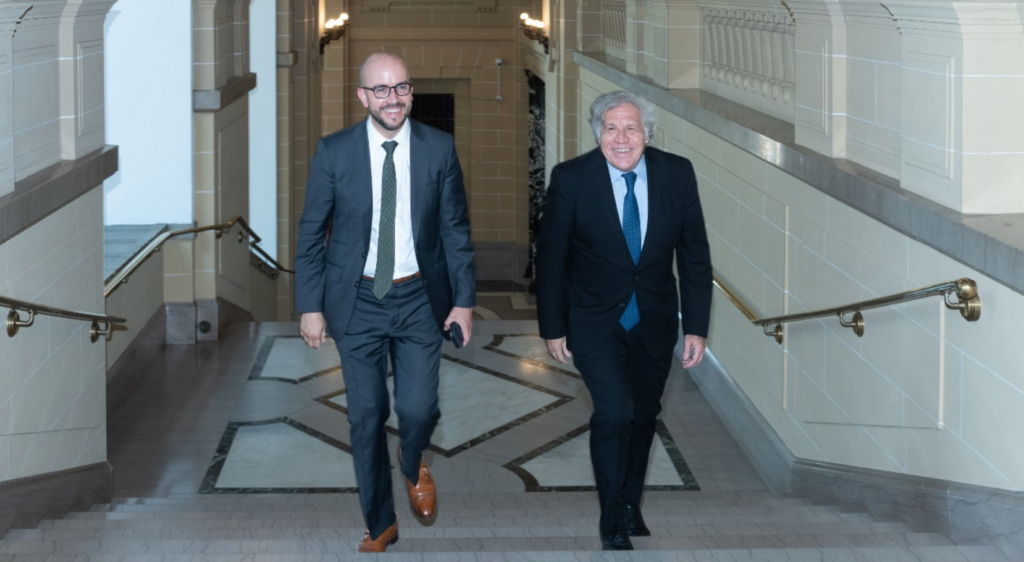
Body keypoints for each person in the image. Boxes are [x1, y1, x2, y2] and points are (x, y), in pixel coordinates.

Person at [294, 52, 476, 553]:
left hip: (421, 297)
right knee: (366, 415)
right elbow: (312, 234)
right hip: (357, 301)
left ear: (411, 92)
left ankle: (413, 456)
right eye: (381, 89)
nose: (393, 98)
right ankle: (381, 523)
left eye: (401, 88)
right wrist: (310, 305)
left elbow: (455, 229)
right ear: (363, 96)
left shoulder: (439, 149)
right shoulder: (334, 153)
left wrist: (462, 301)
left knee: (417, 409)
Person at [536, 90, 713, 551]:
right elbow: (552, 260)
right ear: (597, 134)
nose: (621, 138)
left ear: (647, 134)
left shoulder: (676, 174)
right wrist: (552, 326)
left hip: (653, 320)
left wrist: (696, 326)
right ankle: (612, 516)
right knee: (614, 412)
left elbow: (695, 257)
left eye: (631, 127)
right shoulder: (571, 179)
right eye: (610, 128)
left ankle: (631, 502)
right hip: (595, 322)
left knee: (644, 415)